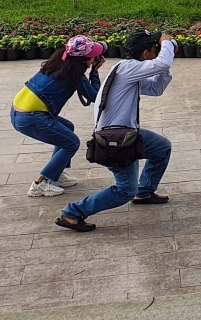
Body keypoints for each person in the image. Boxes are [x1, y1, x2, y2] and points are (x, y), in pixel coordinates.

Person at [56, 29, 176, 232]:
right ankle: (73, 213)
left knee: (162, 147)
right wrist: (168, 45)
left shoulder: (127, 70)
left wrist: (165, 64)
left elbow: (156, 89)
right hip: (116, 141)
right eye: (156, 48)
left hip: (126, 133)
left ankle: (145, 191)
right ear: (146, 54)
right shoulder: (129, 68)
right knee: (124, 191)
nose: (159, 50)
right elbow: (163, 62)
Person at [10, 35, 104, 197]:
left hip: (19, 112)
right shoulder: (75, 74)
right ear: (83, 60)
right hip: (31, 118)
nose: (95, 57)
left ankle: (56, 174)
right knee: (72, 143)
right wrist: (94, 72)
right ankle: (41, 183)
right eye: (93, 55)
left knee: (67, 127)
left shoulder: (58, 62)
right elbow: (95, 97)